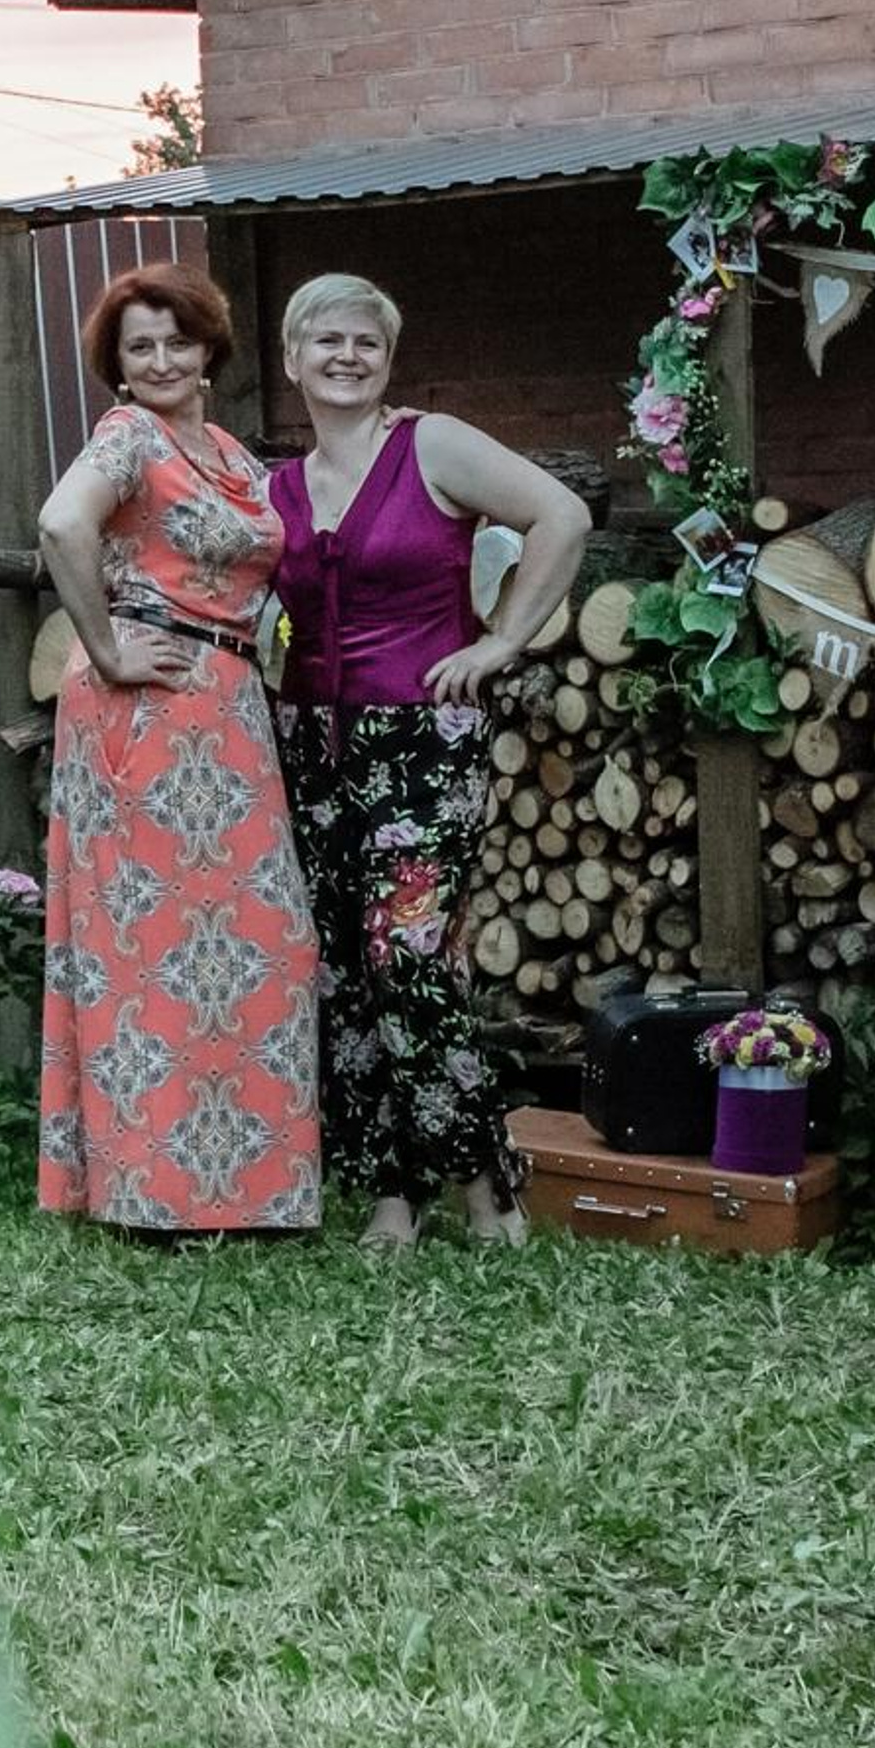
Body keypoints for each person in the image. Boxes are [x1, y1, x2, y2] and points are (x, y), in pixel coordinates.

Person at [269, 273, 592, 1252]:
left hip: (423, 738)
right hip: (311, 749)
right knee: (343, 979)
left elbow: (563, 517)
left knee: (407, 964)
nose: (347, 356)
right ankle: (391, 1198)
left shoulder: (433, 445)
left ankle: (487, 1185)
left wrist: (501, 641)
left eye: (366, 341)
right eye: (326, 341)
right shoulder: (276, 486)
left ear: (389, 358)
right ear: (292, 361)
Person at [34, 264, 322, 1234]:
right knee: (151, 945)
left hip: (229, 706)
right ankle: (152, 1191)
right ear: (117, 371)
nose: (159, 360)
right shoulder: (127, 437)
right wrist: (107, 646)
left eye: (175, 340)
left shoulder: (235, 456)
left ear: (209, 349)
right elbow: (60, 523)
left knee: (261, 942)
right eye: (138, 348)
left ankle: (244, 1187)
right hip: (147, 707)